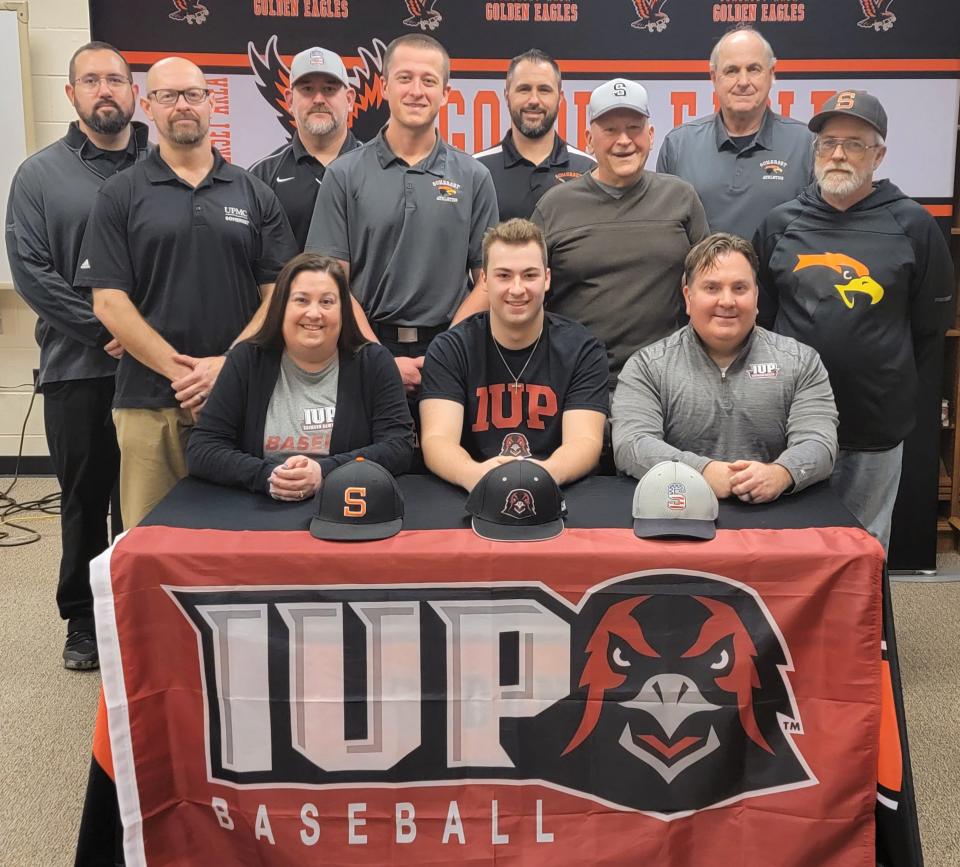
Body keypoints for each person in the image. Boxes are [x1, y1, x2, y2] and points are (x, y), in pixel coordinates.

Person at [76, 57, 299, 530]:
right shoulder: (120, 194)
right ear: (148, 105)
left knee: (244, 534)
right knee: (150, 541)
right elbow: (109, 302)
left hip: (240, 396)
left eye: (193, 94)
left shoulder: (253, 192)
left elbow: (277, 294)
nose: (182, 106)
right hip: (148, 400)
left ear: (211, 103)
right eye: (168, 96)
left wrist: (226, 366)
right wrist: (184, 373)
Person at [755, 90, 953, 548]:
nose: (839, 154)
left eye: (855, 143)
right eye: (828, 142)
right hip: (790, 423)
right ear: (815, 150)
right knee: (792, 546)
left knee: (863, 547)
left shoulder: (913, 224)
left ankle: (864, 624)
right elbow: (762, 322)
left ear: (879, 154)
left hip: (874, 423)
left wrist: (882, 372)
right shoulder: (780, 223)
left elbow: (929, 328)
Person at [5, 41, 149, 671]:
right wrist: (105, 330)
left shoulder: (168, 164)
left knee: (149, 500)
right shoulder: (39, 176)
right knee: (86, 499)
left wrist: (155, 343)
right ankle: (84, 620)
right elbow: (32, 271)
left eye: (116, 80)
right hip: (81, 367)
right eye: (90, 81)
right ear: (71, 94)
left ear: (133, 92)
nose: (104, 91)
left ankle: (144, 611)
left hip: (160, 370)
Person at [305, 33, 499, 396]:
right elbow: (330, 283)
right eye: (405, 78)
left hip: (452, 351)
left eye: (429, 81)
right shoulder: (344, 175)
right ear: (384, 87)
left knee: (445, 453)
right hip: (363, 351)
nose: (416, 91)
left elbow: (488, 279)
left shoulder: (473, 177)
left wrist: (448, 348)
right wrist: (376, 356)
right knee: (370, 456)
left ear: (445, 93)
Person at [612, 233, 838, 504]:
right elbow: (631, 444)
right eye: (712, 288)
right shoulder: (648, 366)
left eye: (740, 288)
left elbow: (820, 444)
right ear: (688, 296)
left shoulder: (801, 361)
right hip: (676, 515)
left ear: (756, 296)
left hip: (775, 520)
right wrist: (701, 471)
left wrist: (781, 473)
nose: (727, 301)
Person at [187, 254, 414, 495]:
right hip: (257, 509)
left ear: (343, 311)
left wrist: (324, 472)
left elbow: (398, 447)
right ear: (281, 307)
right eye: (302, 300)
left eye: (327, 302)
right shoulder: (246, 361)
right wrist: (268, 476)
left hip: (346, 506)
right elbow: (203, 449)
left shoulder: (374, 363)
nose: (314, 313)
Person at [533, 77, 708, 389]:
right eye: (610, 130)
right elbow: (528, 295)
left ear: (651, 135)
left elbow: (707, 287)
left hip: (667, 382)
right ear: (588, 139)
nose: (624, 140)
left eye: (634, 128)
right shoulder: (555, 206)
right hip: (576, 381)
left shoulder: (681, 197)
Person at [420, 219, 608, 491]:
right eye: (504, 275)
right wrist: (473, 474)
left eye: (529, 275)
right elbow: (437, 440)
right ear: (484, 280)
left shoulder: (583, 349)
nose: (517, 289)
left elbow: (585, 443)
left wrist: (541, 476)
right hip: (473, 489)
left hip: (558, 491)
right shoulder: (450, 349)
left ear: (547, 279)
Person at [656, 27, 814, 241]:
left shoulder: (808, 144)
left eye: (753, 69)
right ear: (714, 77)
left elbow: (820, 232)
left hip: (780, 275)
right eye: (731, 70)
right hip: (702, 275)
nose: (743, 82)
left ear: (771, 73)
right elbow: (666, 238)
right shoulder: (678, 146)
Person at [248, 47, 361, 250]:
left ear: (350, 99)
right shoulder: (261, 177)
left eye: (329, 89)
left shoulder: (379, 169)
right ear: (290, 100)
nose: (318, 99)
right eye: (307, 89)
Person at [474, 49, 594, 221]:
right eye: (524, 89)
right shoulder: (478, 170)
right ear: (507, 96)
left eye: (544, 90)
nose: (534, 100)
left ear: (560, 98)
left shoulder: (588, 169)